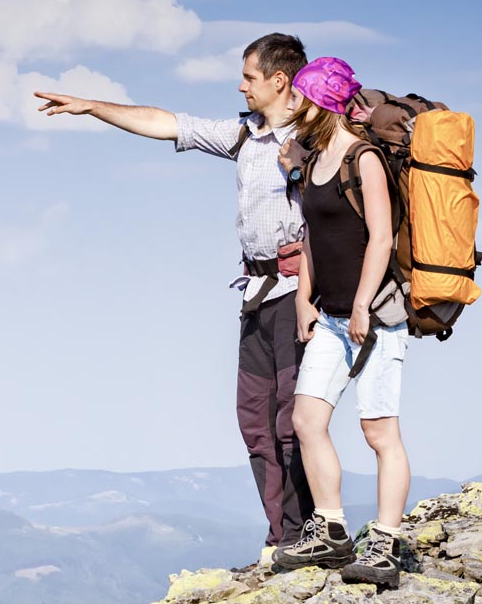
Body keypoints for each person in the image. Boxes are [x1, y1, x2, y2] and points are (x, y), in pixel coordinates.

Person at [34, 34, 314, 560]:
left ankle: (305, 533)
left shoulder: (316, 138)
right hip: (256, 293)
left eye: (249, 76)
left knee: (289, 423)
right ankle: (280, 534)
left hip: (297, 293)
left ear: (280, 80)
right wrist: (94, 106)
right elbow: (170, 124)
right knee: (254, 420)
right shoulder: (244, 136)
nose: (241, 84)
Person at [270, 57, 410, 589]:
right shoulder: (313, 160)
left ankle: (386, 541)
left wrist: (359, 305)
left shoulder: (363, 158)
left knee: (379, 432)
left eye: (297, 97)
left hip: (375, 319)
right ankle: (331, 531)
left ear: (320, 103)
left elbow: (381, 238)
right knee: (307, 420)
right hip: (330, 318)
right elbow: (312, 238)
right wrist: (307, 299)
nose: (289, 106)